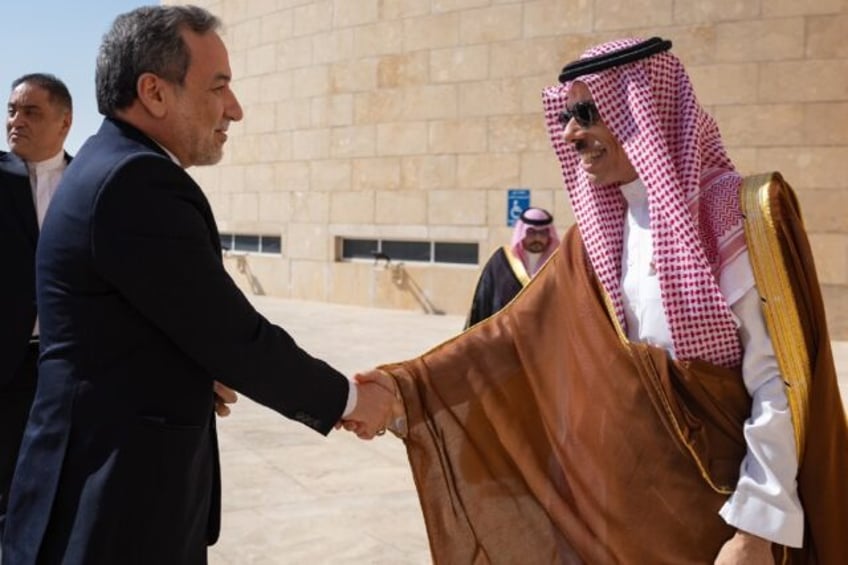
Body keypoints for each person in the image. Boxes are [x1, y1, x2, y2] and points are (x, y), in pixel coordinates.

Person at [353, 37, 848, 563]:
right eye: (565, 114)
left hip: (721, 516)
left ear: (641, 107)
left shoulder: (739, 214)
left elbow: (780, 384)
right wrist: (402, 389)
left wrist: (755, 529)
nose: (570, 132)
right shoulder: (592, 240)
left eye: (587, 113)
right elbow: (510, 339)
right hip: (625, 515)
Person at [1, 6, 392, 564]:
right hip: (111, 506)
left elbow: (128, 322)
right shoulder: (136, 181)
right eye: (219, 86)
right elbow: (232, 335)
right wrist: (350, 399)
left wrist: (182, 370)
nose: (234, 109)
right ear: (155, 93)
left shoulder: (105, 163)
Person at [0, 73, 73, 549]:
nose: (15, 121)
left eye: (31, 112)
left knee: (63, 483)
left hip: (69, 363)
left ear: (65, 122)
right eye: (11, 110)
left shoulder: (92, 181)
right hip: (6, 363)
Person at [465, 207, 559, 328]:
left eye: (543, 233)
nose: (537, 238)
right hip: (506, 336)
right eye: (531, 232)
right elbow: (484, 300)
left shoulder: (558, 262)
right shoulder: (502, 260)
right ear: (522, 232)